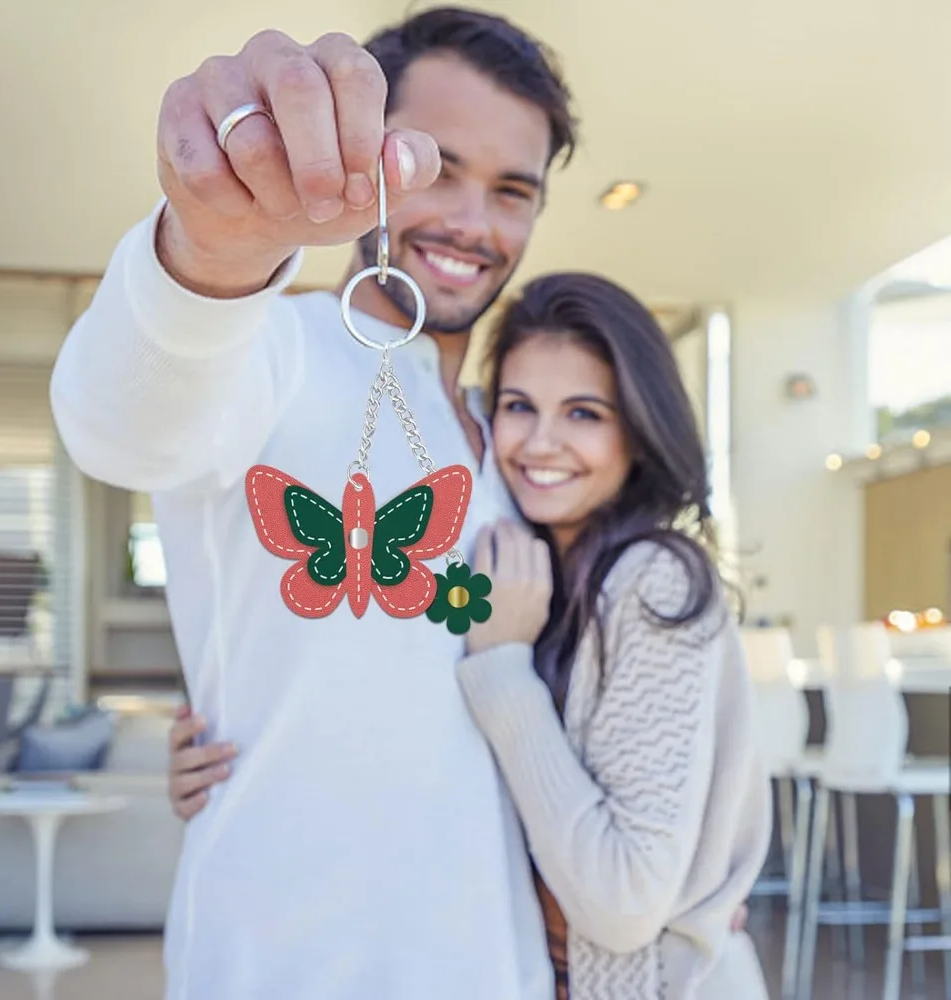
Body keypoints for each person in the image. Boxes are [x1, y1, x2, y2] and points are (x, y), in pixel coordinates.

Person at [50, 7, 750, 998]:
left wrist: (705, 868)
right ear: (365, 161)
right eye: (434, 168)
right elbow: (121, 423)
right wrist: (211, 252)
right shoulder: (272, 350)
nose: (472, 220)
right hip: (285, 962)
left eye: (511, 190)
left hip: (501, 964)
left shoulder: (518, 445)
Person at [169, 272, 773, 999]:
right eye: (519, 406)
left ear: (640, 430)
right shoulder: (533, 555)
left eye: (585, 413)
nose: (541, 442)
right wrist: (247, 742)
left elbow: (621, 905)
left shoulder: (652, 580)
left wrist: (506, 669)